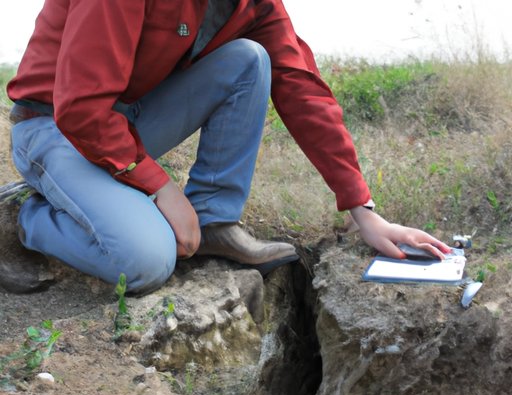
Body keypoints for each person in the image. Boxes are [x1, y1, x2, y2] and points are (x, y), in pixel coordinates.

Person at [6, 0, 450, 295]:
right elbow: (81, 108)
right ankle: (25, 217)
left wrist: (363, 210)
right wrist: (161, 188)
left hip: (127, 123)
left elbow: (301, 88)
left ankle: (214, 222)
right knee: (146, 261)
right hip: (54, 127)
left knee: (249, 59)